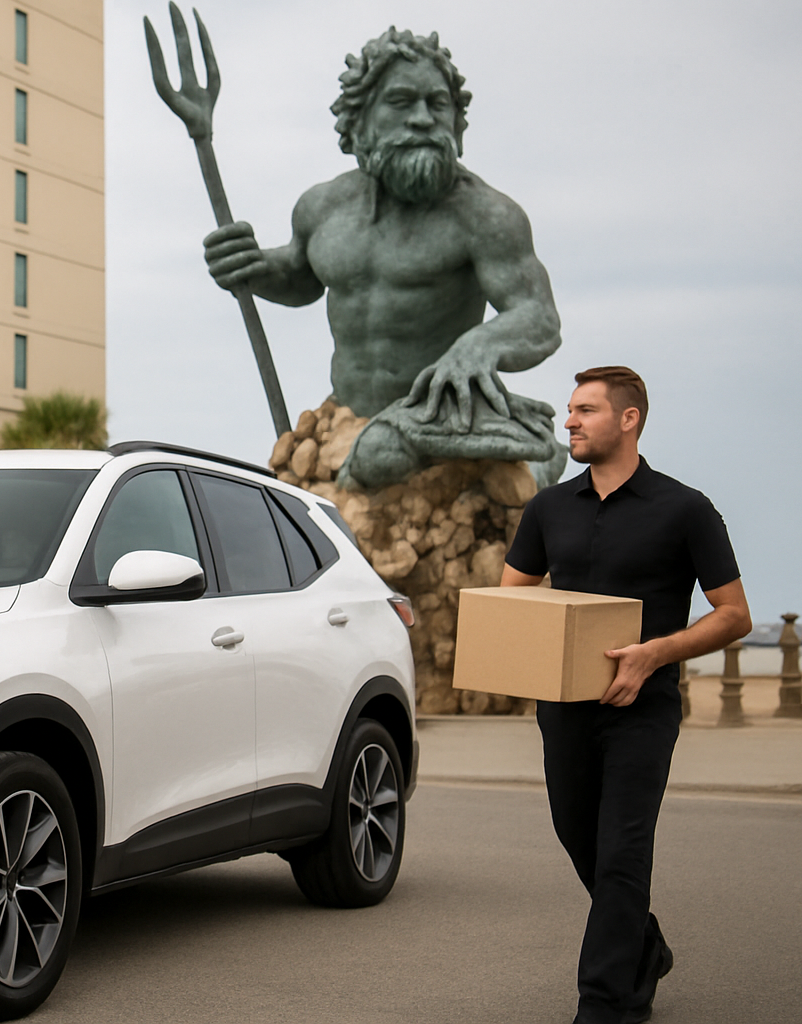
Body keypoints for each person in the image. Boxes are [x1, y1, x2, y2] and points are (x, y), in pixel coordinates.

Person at [201, 28, 564, 488]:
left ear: (457, 122)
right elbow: (299, 278)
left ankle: (529, 459)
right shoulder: (322, 208)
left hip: (439, 412)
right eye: (401, 102)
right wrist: (250, 266)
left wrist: (478, 348)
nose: (422, 119)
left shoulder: (485, 216)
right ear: (360, 121)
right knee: (346, 467)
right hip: (345, 414)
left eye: (437, 104)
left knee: (376, 460)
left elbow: (538, 316)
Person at [501, 366, 751, 1024]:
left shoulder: (685, 508)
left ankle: (605, 1004)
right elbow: (513, 596)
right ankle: (645, 945)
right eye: (570, 410)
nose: (569, 421)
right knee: (579, 839)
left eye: (585, 410)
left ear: (629, 419)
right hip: (563, 708)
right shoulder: (548, 507)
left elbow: (734, 615)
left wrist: (655, 653)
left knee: (622, 852)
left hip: (645, 709)